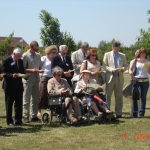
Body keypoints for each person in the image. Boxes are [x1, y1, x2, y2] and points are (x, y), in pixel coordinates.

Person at [1, 48, 29, 126]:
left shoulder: (20, 61)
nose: (19, 58)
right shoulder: (6, 61)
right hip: (9, 86)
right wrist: (11, 75)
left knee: (19, 104)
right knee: (9, 104)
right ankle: (9, 121)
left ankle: (18, 120)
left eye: (20, 56)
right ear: (14, 54)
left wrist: (26, 76)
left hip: (18, 86)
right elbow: (3, 72)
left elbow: (21, 71)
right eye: (18, 56)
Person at [103, 41, 127, 118]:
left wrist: (123, 68)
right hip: (110, 78)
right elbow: (104, 66)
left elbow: (126, 65)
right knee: (108, 96)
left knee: (119, 96)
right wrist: (112, 69)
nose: (117, 50)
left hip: (119, 78)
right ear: (112, 47)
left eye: (118, 48)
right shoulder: (107, 54)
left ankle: (119, 113)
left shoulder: (122, 55)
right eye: (115, 48)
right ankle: (108, 112)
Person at [22, 41, 43, 123]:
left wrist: (40, 70)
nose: (36, 50)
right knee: (26, 99)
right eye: (34, 49)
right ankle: (26, 116)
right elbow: (23, 69)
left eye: (37, 49)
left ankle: (33, 116)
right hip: (28, 80)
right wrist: (32, 70)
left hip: (36, 79)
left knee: (35, 99)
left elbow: (40, 66)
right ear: (31, 47)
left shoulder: (38, 55)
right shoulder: (25, 55)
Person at [129, 47, 150, 117]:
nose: (143, 54)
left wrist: (149, 69)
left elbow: (149, 73)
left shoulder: (147, 61)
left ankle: (141, 113)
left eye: (144, 53)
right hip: (137, 81)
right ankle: (134, 113)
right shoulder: (135, 61)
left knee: (143, 97)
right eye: (142, 53)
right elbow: (130, 69)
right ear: (139, 53)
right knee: (135, 97)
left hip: (145, 81)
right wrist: (132, 76)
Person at [37, 45, 58, 116]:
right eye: (53, 52)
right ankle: (39, 110)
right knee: (42, 93)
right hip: (45, 77)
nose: (54, 54)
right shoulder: (44, 58)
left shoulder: (55, 59)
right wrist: (40, 70)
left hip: (52, 78)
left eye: (55, 52)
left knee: (52, 94)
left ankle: (52, 110)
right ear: (48, 52)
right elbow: (39, 67)